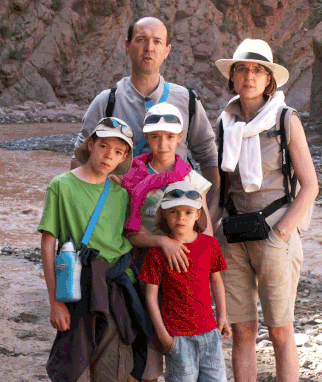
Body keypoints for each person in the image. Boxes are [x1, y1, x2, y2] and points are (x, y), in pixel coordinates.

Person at [213, 39, 319, 382]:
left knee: (280, 331)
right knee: (243, 331)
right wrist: (207, 229)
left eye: (258, 70)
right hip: (234, 236)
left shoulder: (286, 120)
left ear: (269, 80)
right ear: (232, 77)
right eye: (242, 69)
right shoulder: (224, 123)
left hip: (276, 234)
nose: (249, 76)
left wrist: (283, 233)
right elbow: (219, 187)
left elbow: (310, 185)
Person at [70, 16, 220, 216]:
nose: (149, 47)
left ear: (167, 51)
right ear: (127, 46)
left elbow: (209, 159)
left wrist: (206, 216)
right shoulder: (106, 102)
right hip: (116, 219)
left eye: (157, 41)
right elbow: (78, 160)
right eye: (141, 40)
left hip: (175, 223)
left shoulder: (187, 101)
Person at [112, 101, 214, 382]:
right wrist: (161, 242)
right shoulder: (130, 173)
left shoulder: (192, 180)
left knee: (184, 349)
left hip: (181, 271)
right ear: (147, 137)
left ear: (180, 137)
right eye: (155, 136)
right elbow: (128, 231)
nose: (163, 143)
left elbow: (205, 234)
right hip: (141, 266)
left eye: (170, 136)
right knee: (146, 346)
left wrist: (203, 274)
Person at [38, 117, 146, 382]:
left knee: (113, 372)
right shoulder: (61, 186)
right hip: (77, 291)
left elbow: (130, 239)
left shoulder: (122, 195)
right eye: (104, 146)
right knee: (74, 372)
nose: (109, 155)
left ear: (123, 158)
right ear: (91, 144)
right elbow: (48, 244)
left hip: (116, 292)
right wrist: (55, 302)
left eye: (118, 152)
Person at [139, 181, 232, 382]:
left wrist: (222, 316)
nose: (181, 217)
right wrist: (164, 336)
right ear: (164, 213)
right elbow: (151, 296)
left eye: (188, 212)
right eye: (174, 211)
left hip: (210, 333)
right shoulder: (157, 253)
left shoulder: (210, 244)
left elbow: (216, 281)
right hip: (177, 337)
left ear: (198, 214)